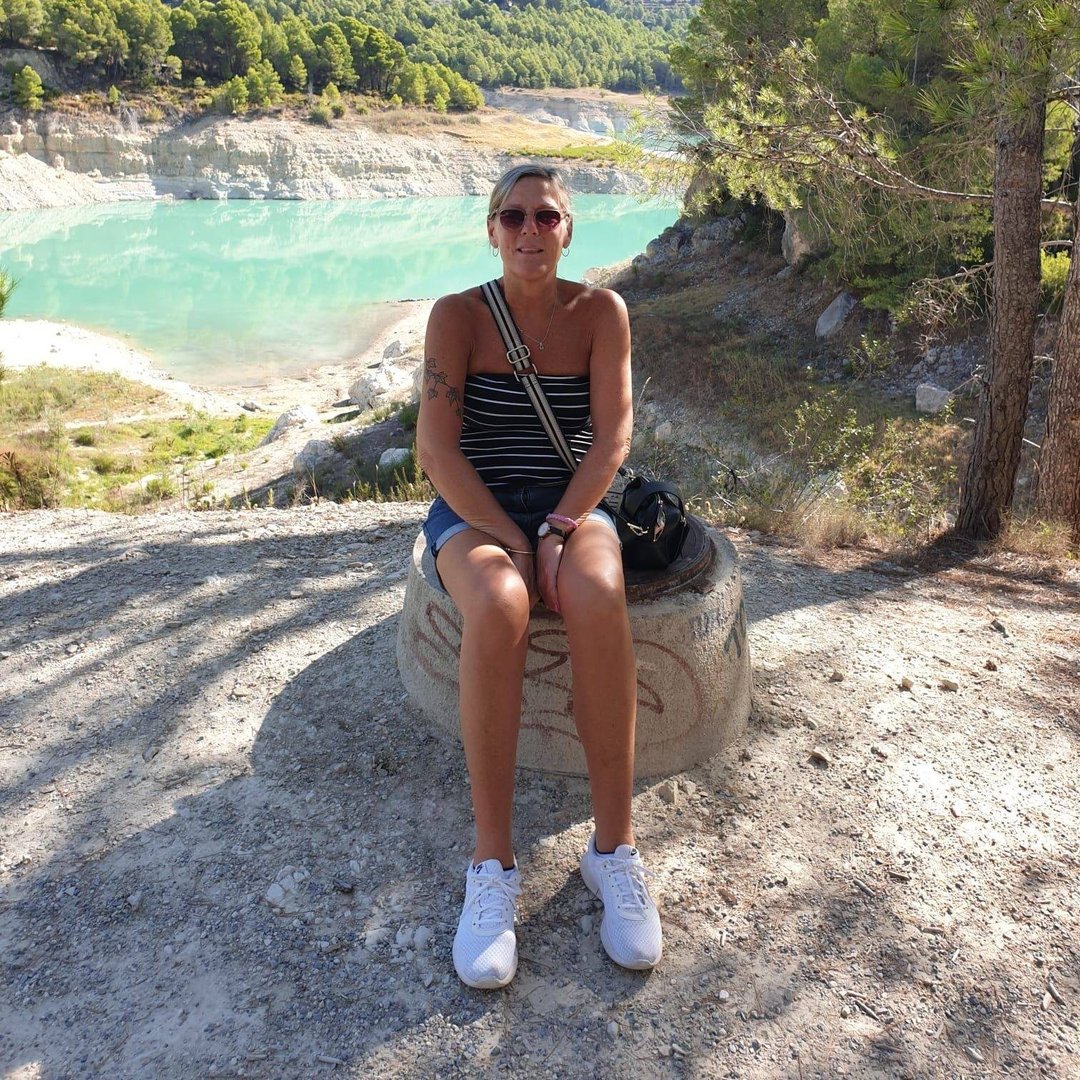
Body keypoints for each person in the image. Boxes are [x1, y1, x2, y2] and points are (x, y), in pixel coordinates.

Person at [415, 163, 662, 989]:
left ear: (567, 230)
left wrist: (556, 528)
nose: (530, 230)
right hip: (477, 505)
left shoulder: (601, 313)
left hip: (568, 502)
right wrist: (506, 538)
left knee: (596, 592)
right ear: (492, 229)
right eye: (513, 216)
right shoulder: (457, 316)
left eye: (546, 216)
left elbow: (611, 439)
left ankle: (613, 850)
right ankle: (492, 867)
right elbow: (436, 449)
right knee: (500, 600)